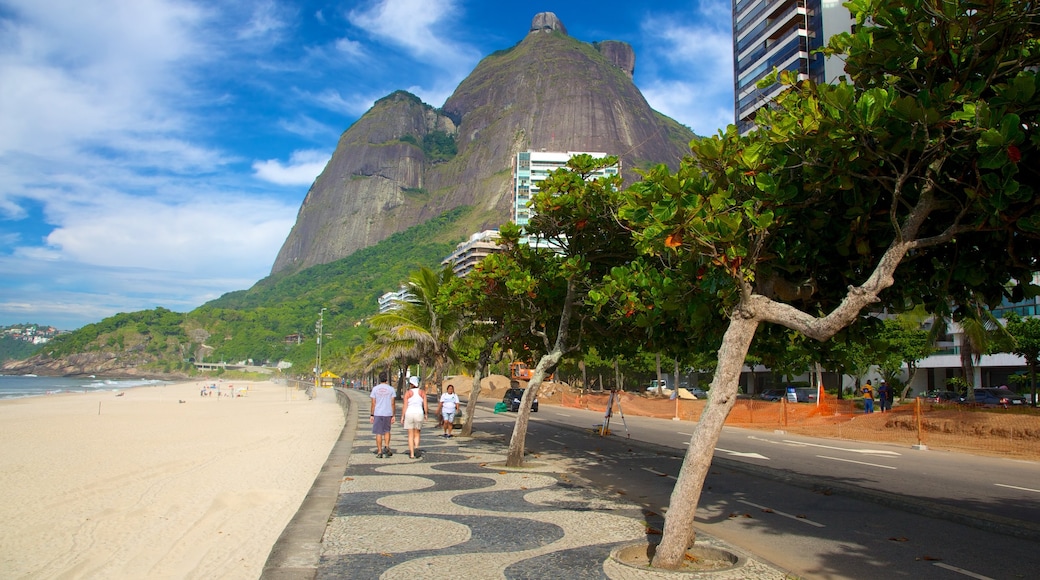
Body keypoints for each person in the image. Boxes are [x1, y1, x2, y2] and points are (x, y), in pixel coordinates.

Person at [370, 371, 396, 458]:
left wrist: (372, 414)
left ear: (379, 379)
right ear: (386, 379)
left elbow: (373, 403)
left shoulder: (375, 389)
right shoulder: (391, 389)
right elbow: (392, 403)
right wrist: (393, 415)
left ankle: (379, 451)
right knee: (387, 431)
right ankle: (387, 446)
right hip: (387, 413)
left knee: (378, 433)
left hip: (378, 413)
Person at [401, 376, 428, 459]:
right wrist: (426, 413)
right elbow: (425, 404)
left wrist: (402, 416)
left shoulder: (408, 393)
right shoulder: (422, 392)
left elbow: (405, 405)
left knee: (410, 435)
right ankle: (416, 447)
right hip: (419, 413)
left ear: (411, 384)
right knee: (417, 433)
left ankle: (412, 454)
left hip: (409, 413)